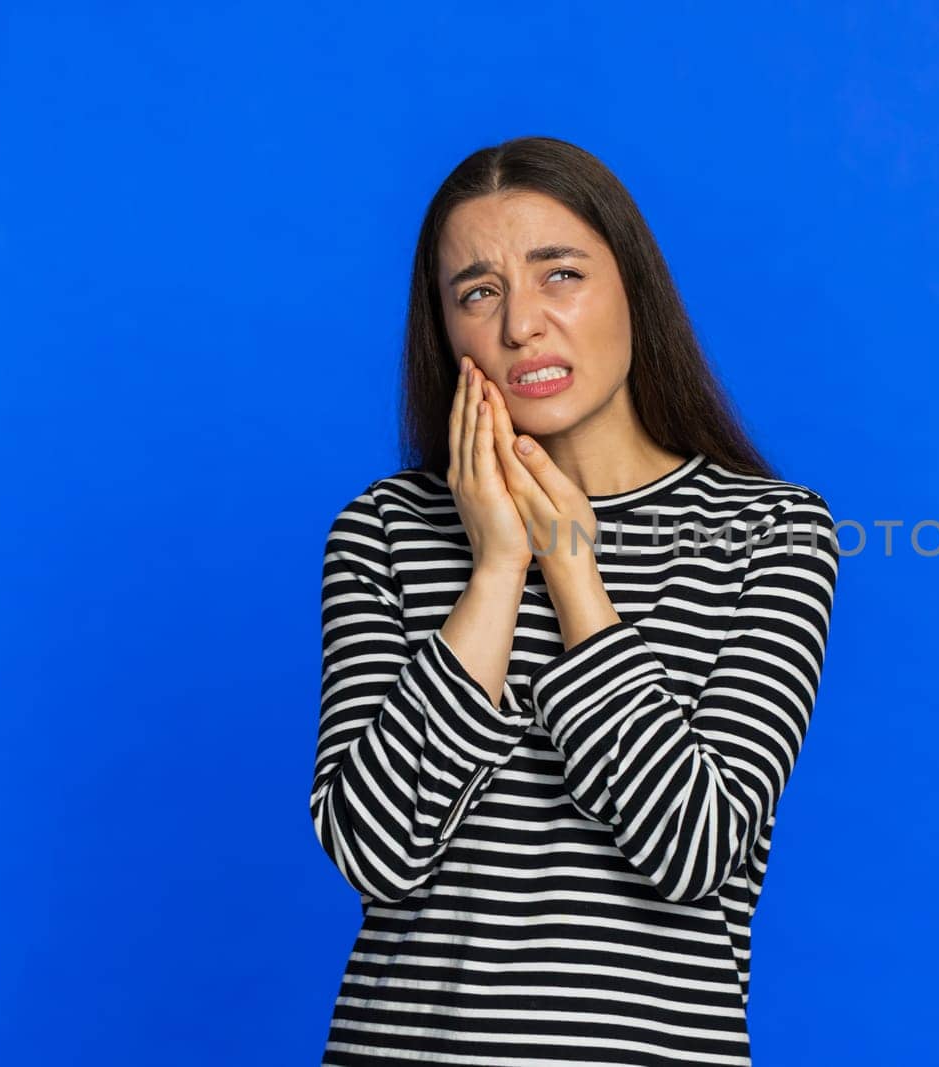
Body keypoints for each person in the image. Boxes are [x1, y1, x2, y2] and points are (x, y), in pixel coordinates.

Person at [310, 136, 841, 1066]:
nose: (522, 326)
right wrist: (494, 568)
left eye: (560, 274)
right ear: (446, 331)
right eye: (478, 292)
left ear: (633, 287)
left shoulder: (771, 532)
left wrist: (572, 573)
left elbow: (694, 846)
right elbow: (375, 849)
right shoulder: (384, 530)